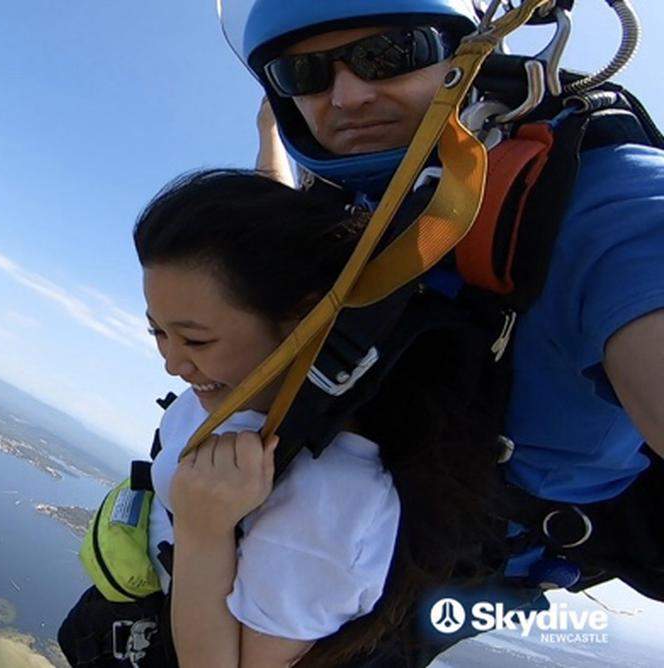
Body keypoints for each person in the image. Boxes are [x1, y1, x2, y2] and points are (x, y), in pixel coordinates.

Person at [223, 0, 664, 661]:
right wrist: (268, 129)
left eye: (389, 55)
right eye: (301, 74)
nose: (345, 96)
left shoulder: (602, 203)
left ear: (467, 53)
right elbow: (282, 220)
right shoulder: (372, 197)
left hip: (468, 562)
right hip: (349, 510)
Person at [131, 169, 506, 667]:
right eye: (158, 331)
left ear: (304, 321)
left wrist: (203, 531)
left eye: (196, 340)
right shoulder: (235, 395)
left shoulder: (327, 507)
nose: (173, 364)